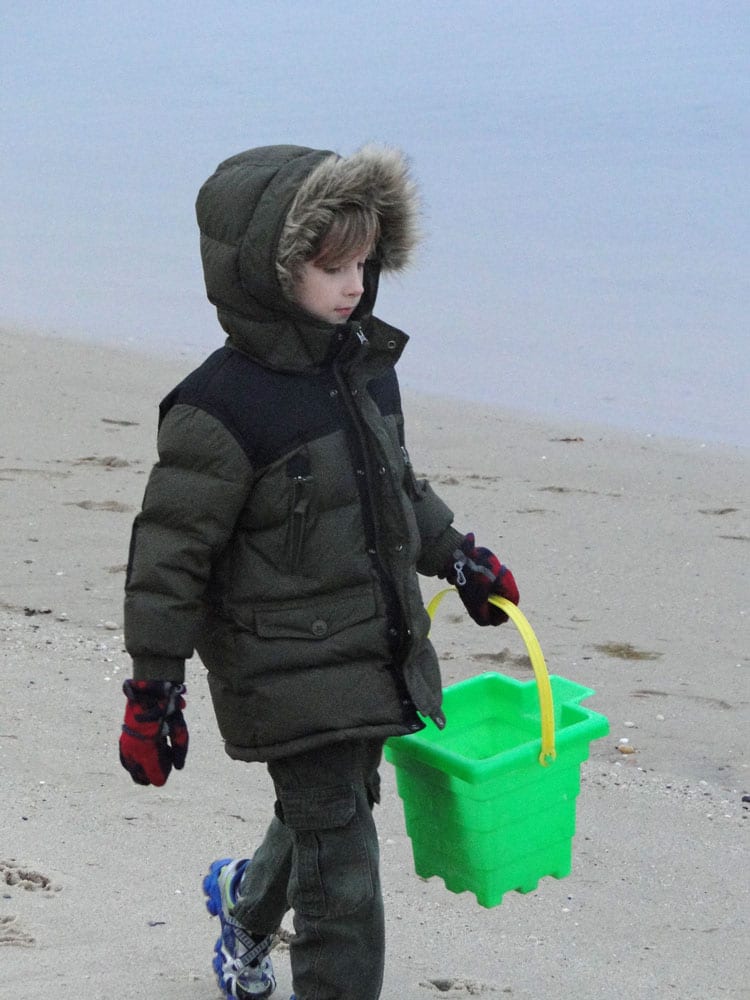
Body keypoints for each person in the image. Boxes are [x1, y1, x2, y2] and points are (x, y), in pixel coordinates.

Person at [118, 144, 519, 1000]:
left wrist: (458, 557)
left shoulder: (363, 370)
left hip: (374, 645)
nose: (353, 285)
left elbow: (394, 488)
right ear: (268, 270)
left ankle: (243, 903)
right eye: (330, 265)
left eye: (364, 263)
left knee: (333, 813)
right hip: (281, 663)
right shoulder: (219, 408)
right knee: (345, 873)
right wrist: (154, 691)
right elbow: (167, 558)